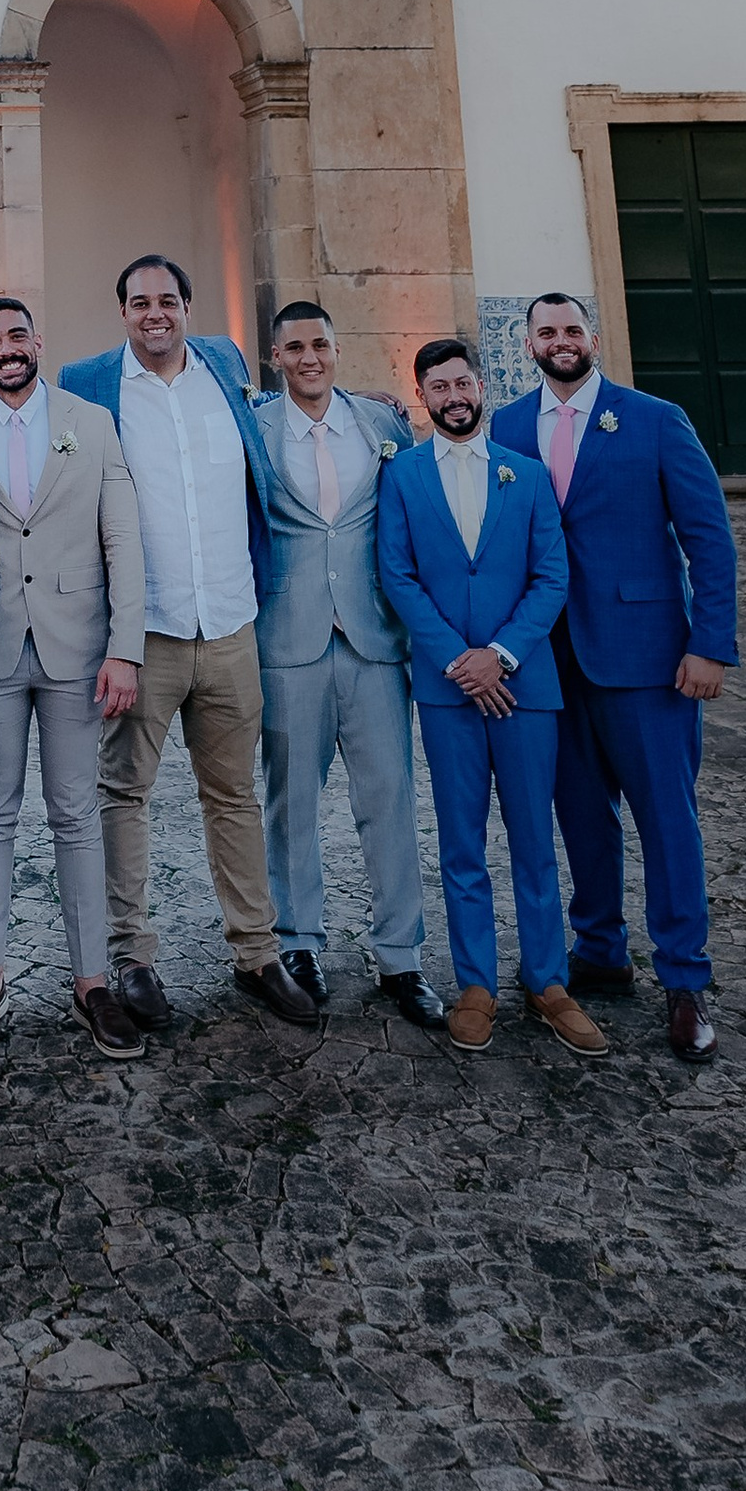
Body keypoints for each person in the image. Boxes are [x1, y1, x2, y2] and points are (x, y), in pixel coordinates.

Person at [59, 256, 318, 1035]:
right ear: (122, 312)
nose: (154, 313)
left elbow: (273, 418)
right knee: (124, 793)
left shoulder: (225, 364)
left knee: (233, 794)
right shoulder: (88, 383)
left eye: (167, 300)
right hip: (145, 635)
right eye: (139, 302)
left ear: (188, 307)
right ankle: (131, 956)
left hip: (232, 624)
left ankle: (257, 953)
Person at [490, 293, 740, 1063]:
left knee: (667, 817)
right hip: (547, 661)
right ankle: (599, 947)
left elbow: (710, 537)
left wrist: (711, 645)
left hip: (646, 656)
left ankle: (685, 978)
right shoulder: (503, 426)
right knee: (580, 815)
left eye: (572, 330)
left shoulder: (656, 419)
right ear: (526, 342)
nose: (560, 342)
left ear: (592, 338)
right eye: (546, 331)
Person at [0, 296, 147, 1062]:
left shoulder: (90, 421)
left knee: (77, 812)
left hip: (77, 648)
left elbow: (121, 534)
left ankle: (91, 981)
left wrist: (126, 645)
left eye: (17, 334)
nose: (6, 348)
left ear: (39, 341)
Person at [378, 340, 604, 1058]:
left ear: (482, 386)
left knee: (535, 839)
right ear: (423, 396)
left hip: (524, 684)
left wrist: (499, 655)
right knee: (461, 840)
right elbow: (398, 575)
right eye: (438, 385)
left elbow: (552, 577)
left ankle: (548, 980)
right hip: (449, 693)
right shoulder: (404, 476)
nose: (453, 395)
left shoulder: (528, 475)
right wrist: (459, 660)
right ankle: (475, 983)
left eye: (462, 381)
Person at [247, 301, 440, 1028]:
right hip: (287, 641)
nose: (308, 357)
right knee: (290, 799)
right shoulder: (254, 430)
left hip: (373, 639)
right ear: (275, 357)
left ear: (336, 347)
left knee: (390, 797)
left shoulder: (383, 423)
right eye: (293, 346)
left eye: (320, 344)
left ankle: (402, 957)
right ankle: (297, 942)